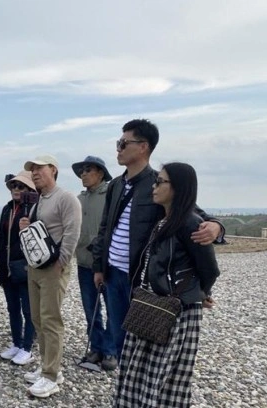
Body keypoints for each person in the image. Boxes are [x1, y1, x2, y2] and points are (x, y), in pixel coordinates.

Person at [92, 119, 224, 365]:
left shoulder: (158, 184)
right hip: (112, 275)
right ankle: (127, 388)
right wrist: (100, 266)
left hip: (139, 280)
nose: (118, 149)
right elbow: (104, 228)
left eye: (123, 143)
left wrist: (217, 226)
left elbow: (191, 212)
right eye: (117, 143)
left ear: (143, 147)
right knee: (119, 336)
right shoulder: (115, 186)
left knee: (141, 340)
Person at [115, 162, 220, 407]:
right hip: (153, 303)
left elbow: (209, 268)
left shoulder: (190, 222)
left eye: (160, 181)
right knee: (141, 367)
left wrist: (201, 292)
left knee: (164, 373)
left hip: (176, 310)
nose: (155, 186)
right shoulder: (166, 219)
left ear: (178, 187)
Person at [18, 155, 81, 398]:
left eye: (38, 168)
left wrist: (62, 262)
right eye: (31, 170)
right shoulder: (38, 202)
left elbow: (72, 231)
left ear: (53, 169)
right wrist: (26, 226)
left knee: (51, 320)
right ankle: (47, 366)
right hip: (36, 267)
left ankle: (51, 376)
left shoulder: (66, 198)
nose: (34, 173)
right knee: (38, 319)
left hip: (54, 269)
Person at [71, 156, 116, 370]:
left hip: (109, 264)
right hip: (84, 263)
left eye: (88, 170)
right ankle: (96, 347)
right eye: (82, 171)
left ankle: (110, 350)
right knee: (91, 309)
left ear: (100, 172)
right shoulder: (79, 199)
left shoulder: (111, 195)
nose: (83, 174)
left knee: (113, 309)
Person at [0, 171, 37, 365]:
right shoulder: (6, 208)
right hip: (8, 267)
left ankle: (27, 347)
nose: (16, 190)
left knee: (28, 310)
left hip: (25, 266)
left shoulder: (34, 208)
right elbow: (2, 238)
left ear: (29, 189)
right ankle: (16, 343)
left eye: (21, 186)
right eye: (14, 186)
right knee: (13, 308)